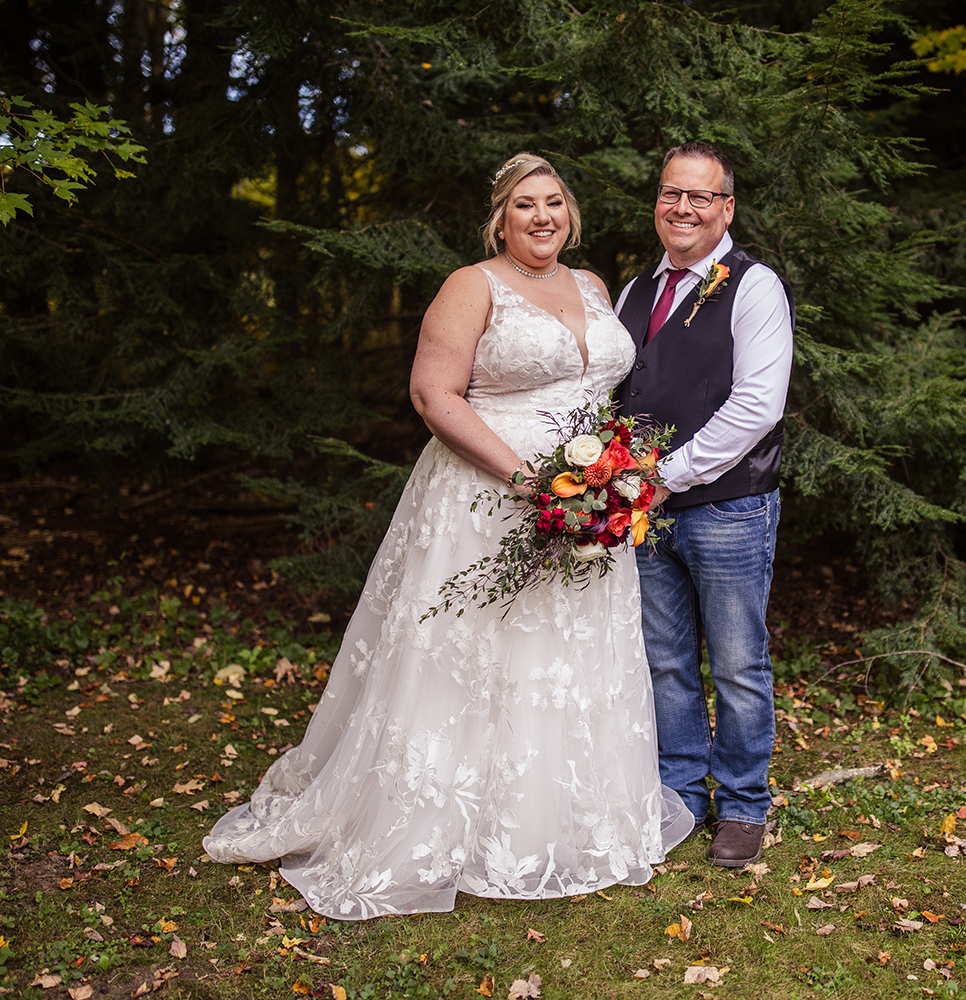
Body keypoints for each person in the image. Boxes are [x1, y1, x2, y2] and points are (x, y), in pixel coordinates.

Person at [203, 153, 693, 918]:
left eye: (555, 202)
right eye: (525, 205)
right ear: (500, 218)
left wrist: (608, 479)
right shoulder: (471, 286)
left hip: (591, 503)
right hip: (486, 497)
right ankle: (448, 828)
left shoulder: (595, 286)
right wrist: (527, 480)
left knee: (566, 655)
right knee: (480, 656)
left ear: (571, 213)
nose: (542, 217)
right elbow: (434, 395)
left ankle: (565, 823)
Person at [614, 141, 794, 867]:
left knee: (739, 664)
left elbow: (757, 406)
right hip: (641, 512)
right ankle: (681, 794)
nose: (682, 208)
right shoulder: (633, 292)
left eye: (700, 197)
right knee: (664, 661)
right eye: (670, 194)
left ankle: (745, 805)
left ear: (726, 208)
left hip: (727, 510)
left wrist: (668, 474)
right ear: (657, 202)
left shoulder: (754, 286)